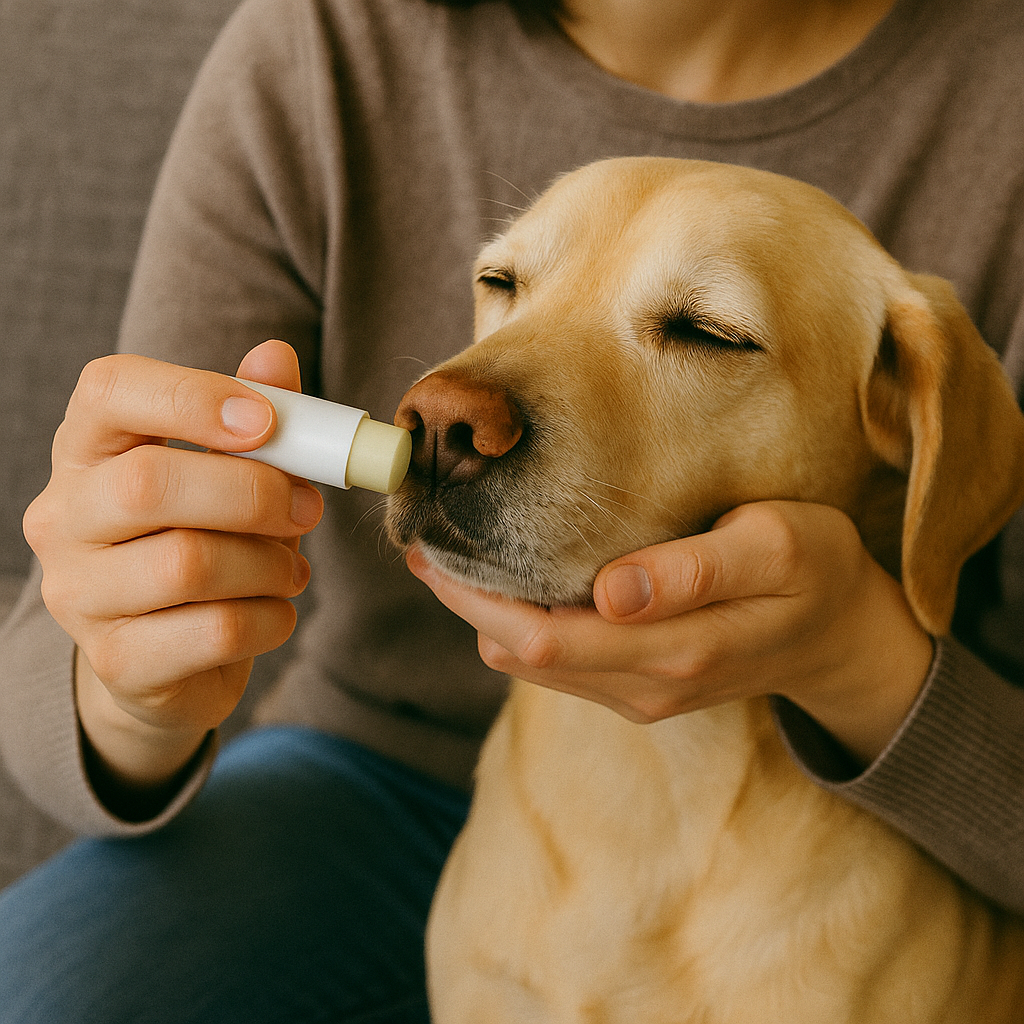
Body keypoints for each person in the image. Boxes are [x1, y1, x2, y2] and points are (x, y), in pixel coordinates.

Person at [1, 0, 1023, 1019]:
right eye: (504, 280)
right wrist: (128, 685)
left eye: (703, 328)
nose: (470, 395)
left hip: (896, 785)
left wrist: (857, 658)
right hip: (375, 766)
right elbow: (51, 675)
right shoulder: (326, 39)